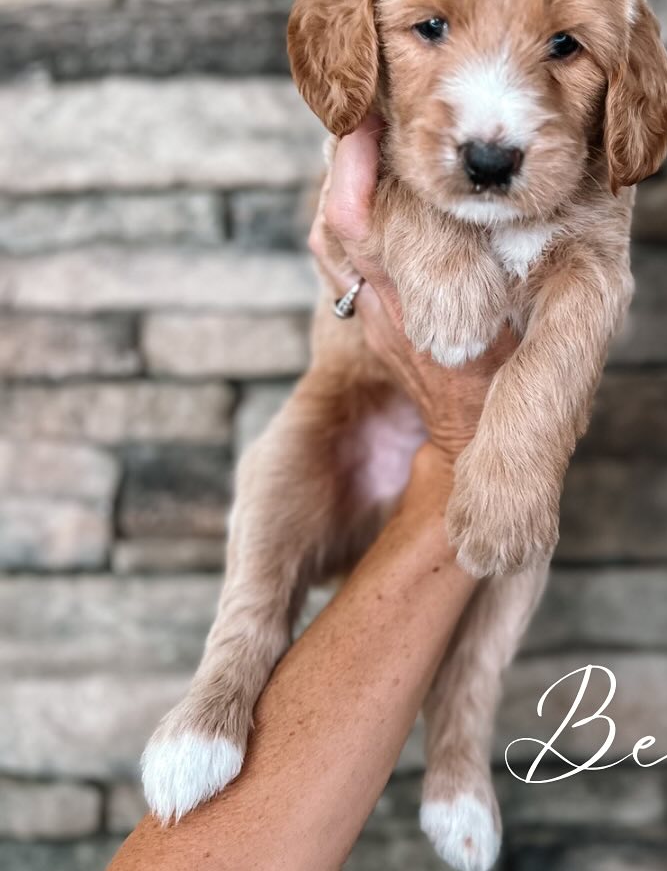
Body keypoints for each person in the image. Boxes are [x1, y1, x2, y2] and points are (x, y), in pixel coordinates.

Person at [109, 115, 517, 870]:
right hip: (350, 413)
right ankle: (227, 676)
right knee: (287, 453)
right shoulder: (385, 98)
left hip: (498, 437)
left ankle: (460, 746)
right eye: (431, 29)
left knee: (526, 510)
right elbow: (354, 203)